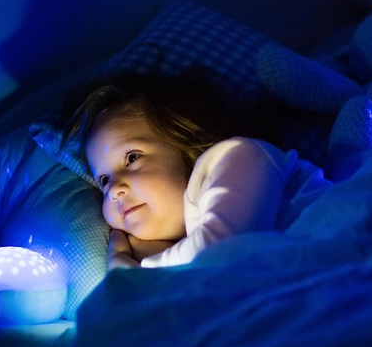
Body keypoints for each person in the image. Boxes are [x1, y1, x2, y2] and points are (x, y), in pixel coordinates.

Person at [62, 72, 331, 269]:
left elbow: (220, 256)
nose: (115, 191)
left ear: (185, 139)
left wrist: (132, 265)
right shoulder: (182, 240)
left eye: (132, 157)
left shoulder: (239, 156)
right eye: (104, 180)